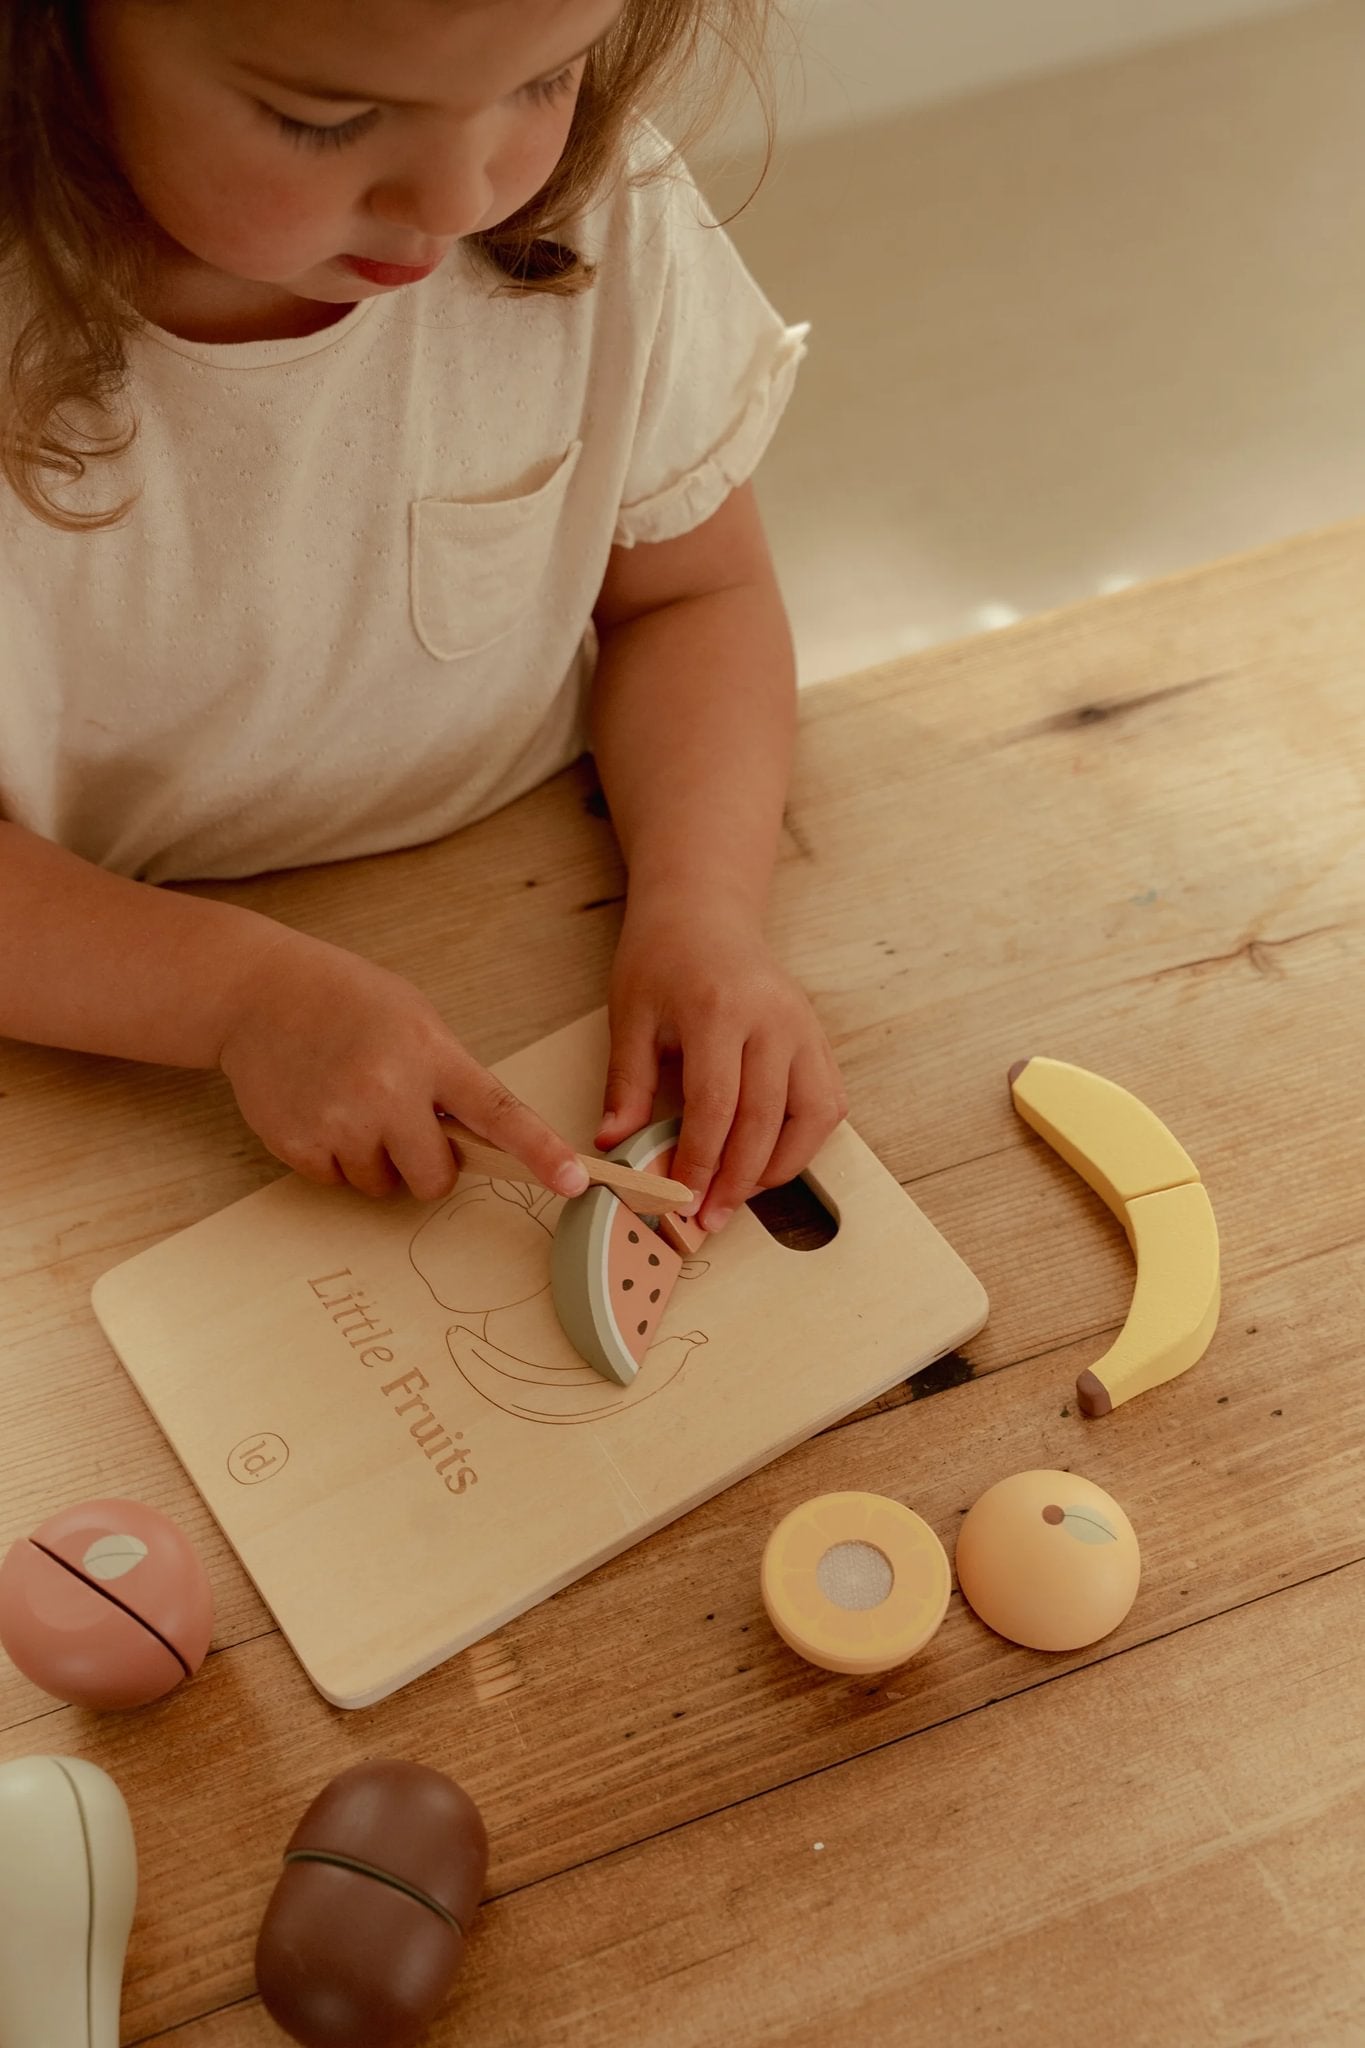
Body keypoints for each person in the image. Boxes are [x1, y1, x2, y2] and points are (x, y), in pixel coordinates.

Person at [0, 0, 848, 1231]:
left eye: (547, 79)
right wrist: (233, 997)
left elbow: (692, 596)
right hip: (97, 1019)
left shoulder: (605, 211)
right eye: (325, 118)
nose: (460, 200)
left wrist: (702, 910)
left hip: (534, 885)